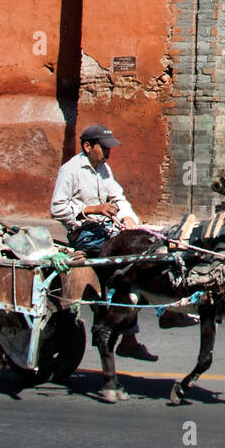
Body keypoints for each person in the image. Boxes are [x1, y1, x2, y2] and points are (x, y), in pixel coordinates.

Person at [50, 124, 162, 361]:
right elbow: (57, 207)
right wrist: (90, 209)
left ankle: (137, 332)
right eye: (104, 148)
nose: (108, 153)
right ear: (88, 146)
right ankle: (127, 335)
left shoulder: (104, 169)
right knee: (126, 273)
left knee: (142, 249)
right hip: (84, 234)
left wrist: (128, 217)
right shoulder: (70, 170)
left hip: (106, 229)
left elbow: (118, 198)